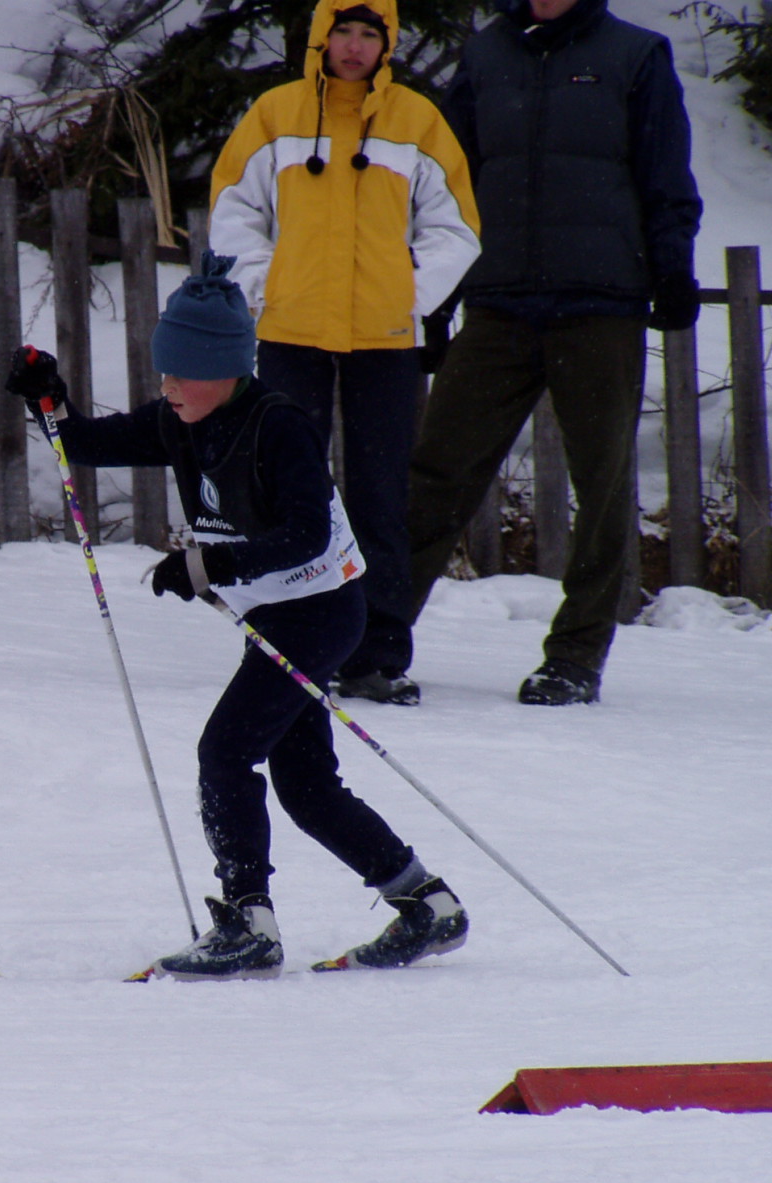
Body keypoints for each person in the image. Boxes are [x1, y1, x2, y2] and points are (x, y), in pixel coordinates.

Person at [5, 252, 467, 980]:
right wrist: (50, 400)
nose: (168, 387)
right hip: (280, 619)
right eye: (164, 373)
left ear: (228, 369)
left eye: (182, 374)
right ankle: (427, 905)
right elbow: (85, 446)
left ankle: (249, 921)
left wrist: (211, 565)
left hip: (320, 613)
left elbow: (306, 534)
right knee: (307, 786)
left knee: (225, 752)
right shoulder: (182, 420)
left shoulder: (278, 426)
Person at [405, 0, 703, 705]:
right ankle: (373, 635)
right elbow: (449, 182)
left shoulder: (635, 55)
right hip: (498, 299)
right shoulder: (485, 56)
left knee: (600, 484)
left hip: (600, 302)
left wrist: (670, 268)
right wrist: (438, 297)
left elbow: (666, 173)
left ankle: (575, 656)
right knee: (435, 472)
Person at [208, 0, 481, 707]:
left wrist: (406, 297)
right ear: (320, 36)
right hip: (291, 331)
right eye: (344, 31)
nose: (355, 47)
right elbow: (235, 210)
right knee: (290, 491)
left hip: (384, 339)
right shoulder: (275, 113)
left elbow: (455, 226)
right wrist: (267, 291)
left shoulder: (417, 121)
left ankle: (376, 653)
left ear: (385, 43)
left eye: (370, 34)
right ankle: (289, 641)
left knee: (380, 495)